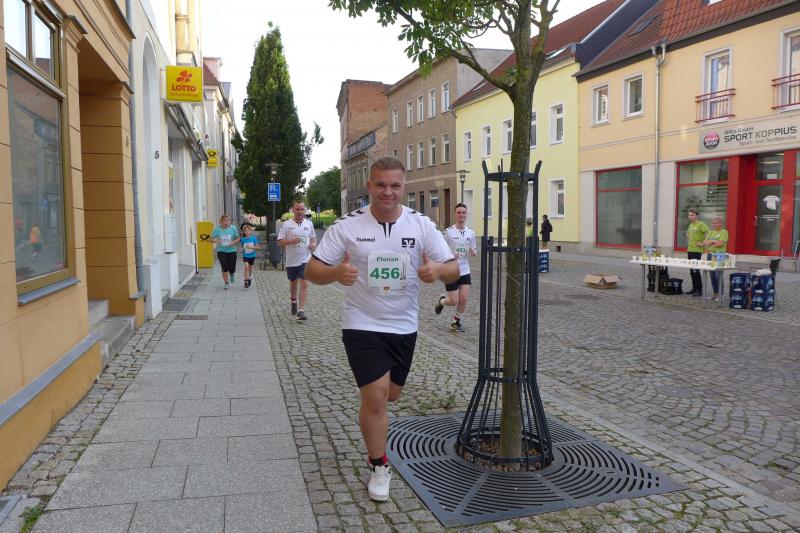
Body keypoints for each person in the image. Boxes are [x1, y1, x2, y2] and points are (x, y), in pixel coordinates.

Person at [305, 156, 458, 502]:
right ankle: (379, 465)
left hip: (403, 326)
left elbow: (453, 268)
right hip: (362, 323)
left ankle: (375, 426)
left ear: (404, 187)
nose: (387, 192)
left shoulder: (421, 225)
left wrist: (437, 270)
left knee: (390, 395)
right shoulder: (347, 226)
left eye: (394, 186)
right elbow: (312, 271)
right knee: (375, 395)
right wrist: (335, 274)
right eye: (381, 185)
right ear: (369, 186)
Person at [434, 203, 477, 332]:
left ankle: (456, 321)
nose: (461, 215)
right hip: (450, 269)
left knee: (463, 298)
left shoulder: (471, 233)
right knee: (454, 301)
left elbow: (474, 248)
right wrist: (450, 256)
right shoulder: (448, 232)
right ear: (455, 214)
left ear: (466, 214)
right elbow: (439, 249)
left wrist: (473, 252)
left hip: (465, 270)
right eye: (459, 213)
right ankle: (442, 301)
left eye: (463, 212)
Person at [278, 201, 316, 320]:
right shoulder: (287, 224)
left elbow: (313, 239)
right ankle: (293, 300)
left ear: (305, 210)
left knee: (304, 283)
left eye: (302, 209)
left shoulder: (309, 224)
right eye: (297, 209)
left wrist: (313, 245)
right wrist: (291, 242)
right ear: (293, 210)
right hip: (291, 260)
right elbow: (279, 242)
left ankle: (301, 311)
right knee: (293, 283)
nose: (300, 212)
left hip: (305, 259)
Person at [701, 216, 728, 301]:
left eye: (716, 223)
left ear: (721, 223)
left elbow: (720, 244)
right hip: (710, 255)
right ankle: (715, 294)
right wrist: (713, 242)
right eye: (713, 223)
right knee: (712, 275)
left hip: (720, 255)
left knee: (718, 275)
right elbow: (704, 243)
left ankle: (720, 295)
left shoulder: (724, 232)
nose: (714, 224)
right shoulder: (711, 232)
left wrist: (711, 242)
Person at [211, 214, 240, 289]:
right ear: (221, 221)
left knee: (232, 267)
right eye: (224, 220)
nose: (226, 222)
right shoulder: (217, 229)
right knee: (224, 267)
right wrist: (217, 241)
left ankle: (232, 273)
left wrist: (233, 242)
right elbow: (210, 238)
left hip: (232, 250)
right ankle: (226, 283)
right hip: (221, 250)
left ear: (229, 221)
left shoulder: (233, 228)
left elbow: (238, 238)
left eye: (227, 220)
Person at [685, 208, 708, 297]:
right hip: (690, 250)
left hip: (697, 251)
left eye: (692, 215)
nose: (690, 216)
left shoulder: (701, 224)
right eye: (689, 215)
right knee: (692, 270)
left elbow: (708, 233)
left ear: (696, 215)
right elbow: (688, 234)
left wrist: (702, 243)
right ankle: (694, 288)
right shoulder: (691, 225)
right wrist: (690, 238)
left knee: (695, 270)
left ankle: (699, 290)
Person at [240, 224, 259, 289]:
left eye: (248, 230)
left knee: (250, 268)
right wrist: (242, 248)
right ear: (244, 232)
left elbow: (258, 247)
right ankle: (246, 281)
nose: (247, 232)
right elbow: (242, 246)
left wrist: (252, 247)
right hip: (245, 255)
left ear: (250, 231)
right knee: (246, 267)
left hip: (252, 255)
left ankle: (249, 278)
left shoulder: (253, 238)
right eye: (245, 231)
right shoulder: (242, 239)